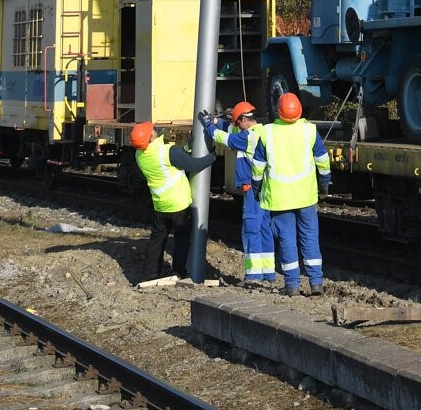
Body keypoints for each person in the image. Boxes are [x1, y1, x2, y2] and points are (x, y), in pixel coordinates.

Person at [250, 92, 330, 296]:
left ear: (279, 112)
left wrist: (257, 190)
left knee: (286, 239)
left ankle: (292, 285)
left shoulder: (267, 133)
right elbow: (323, 162)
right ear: (300, 111)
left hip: (280, 198)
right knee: (310, 237)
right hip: (306, 196)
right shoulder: (309, 131)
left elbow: (258, 168)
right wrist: (324, 186)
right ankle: (316, 283)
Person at [197, 101, 276, 286]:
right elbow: (231, 130)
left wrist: (208, 125)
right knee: (265, 229)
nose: (236, 126)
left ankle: (253, 275)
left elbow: (224, 138)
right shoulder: (261, 131)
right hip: (266, 189)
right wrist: (218, 121)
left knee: (250, 230)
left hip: (252, 189)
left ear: (243, 119)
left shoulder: (247, 138)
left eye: (237, 122)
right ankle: (268, 272)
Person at [129, 120, 215, 284]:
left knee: (157, 240)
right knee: (181, 239)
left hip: (160, 205)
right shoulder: (168, 151)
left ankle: (149, 275)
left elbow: (172, 162)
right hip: (179, 205)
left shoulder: (139, 155)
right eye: (152, 130)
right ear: (151, 137)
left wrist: (187, 148)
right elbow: (192, 165)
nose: (155, 129)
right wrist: (211, 156)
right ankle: (178, 271)